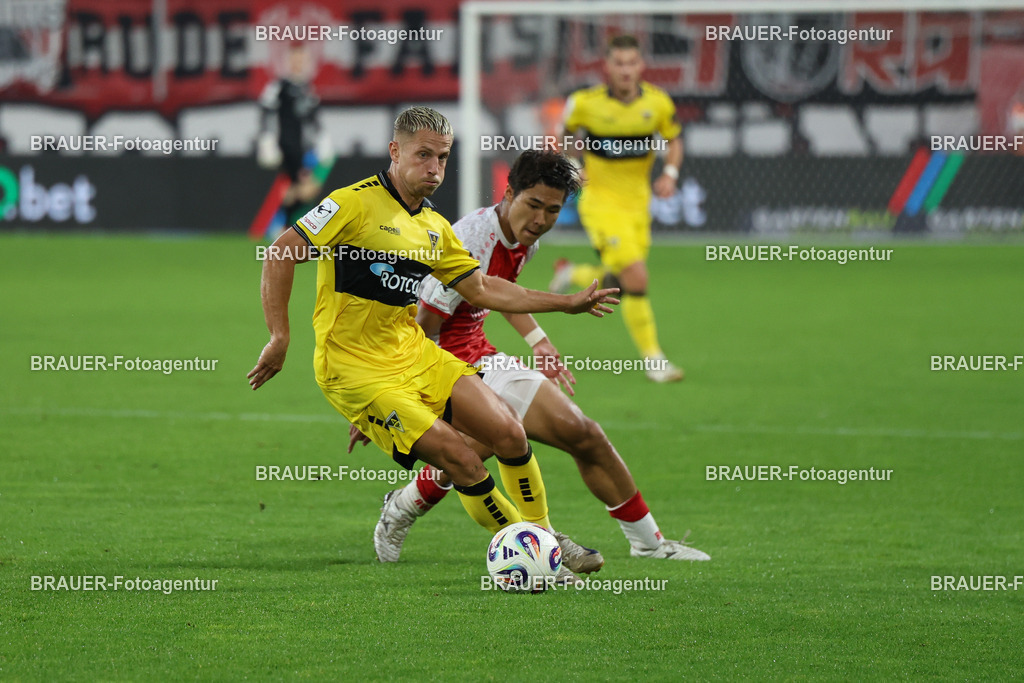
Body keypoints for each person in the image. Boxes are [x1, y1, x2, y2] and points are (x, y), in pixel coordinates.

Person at [248, 107, 619, 577]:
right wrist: (279, 336)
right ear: (395, 152)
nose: (435, 169)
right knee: (462, 459)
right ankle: (536, 555)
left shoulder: (434, 228)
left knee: (508, 432)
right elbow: (280, 252)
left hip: (413, 353)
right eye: (424, 155)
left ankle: (543, 543)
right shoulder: (351, 204)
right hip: (355, 368)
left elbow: (483, 289)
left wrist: (565, 303)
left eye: (443, 158)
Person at [370, 150, 710, 566]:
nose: (541, 219)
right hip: (438, 359)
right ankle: (539, 543)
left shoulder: (521, 238)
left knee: (579, 432)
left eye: (553, 210)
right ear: (509, 192)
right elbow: (425, 323)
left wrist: (539, 340)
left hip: (480, 354)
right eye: (533, 205)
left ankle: (650, 544)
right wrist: (396, 391)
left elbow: (499, 293)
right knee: (477, 448)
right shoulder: (472, 238)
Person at [551, 34, 685, 383]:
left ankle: (572, 274)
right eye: (619, 63)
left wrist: (670, 173)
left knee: (621, 281)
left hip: (639, 205)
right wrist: (571, 164)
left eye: (631, 63)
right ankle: (654, 360)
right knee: (637, 275)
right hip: (600, 204)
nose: (625, 70)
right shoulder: (585, 103)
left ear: (641, 66)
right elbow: (563, 134)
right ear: (607, 67)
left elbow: (674, 140)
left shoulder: (657, 104)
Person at [257, 43, 328, 231]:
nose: (298, 63)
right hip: (287, 145)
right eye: (295, 59)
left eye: (302, 59)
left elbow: (313, 119)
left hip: (302, 146)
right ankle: (284, 227)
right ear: (288, 61)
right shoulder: (279, 86)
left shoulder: (306, 89)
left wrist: (321, 139)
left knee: (297, 190)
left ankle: (283, 228)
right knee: (307, 187)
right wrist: (267, 138)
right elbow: (265, 110)